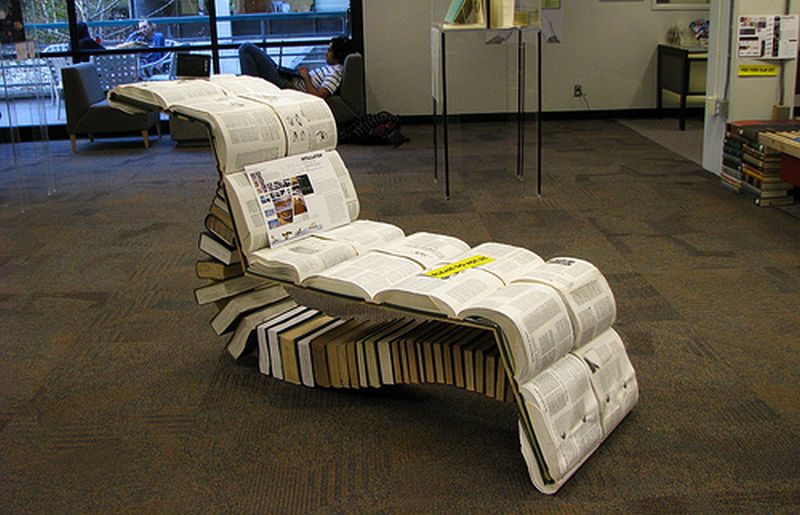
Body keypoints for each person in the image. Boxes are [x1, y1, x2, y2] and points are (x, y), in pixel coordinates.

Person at [238, 36, 354, 99]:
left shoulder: (335, 73)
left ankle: (251, 93)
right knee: (250, 53)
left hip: (285, 85)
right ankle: (251, 88)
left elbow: (319, 97)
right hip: (288, 79)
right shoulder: (332, 68)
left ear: (338, 55)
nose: (325, 53)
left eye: (329, 51)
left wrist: (306, 77)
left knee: (246, 48)